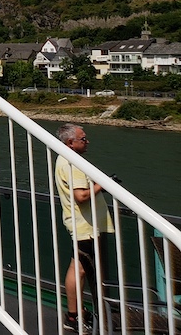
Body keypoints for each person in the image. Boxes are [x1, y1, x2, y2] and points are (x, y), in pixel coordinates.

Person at [55, 124, 114, 333]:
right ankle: (73, 316)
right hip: (84, 224)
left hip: (81, 223)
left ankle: (74, 314)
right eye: (83, 138)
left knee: (76, 267)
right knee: (80, 269)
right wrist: (104, 184)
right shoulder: (74, 163)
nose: (87, 141)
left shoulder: (64, 160)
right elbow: (81, 196)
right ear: (70, 143)